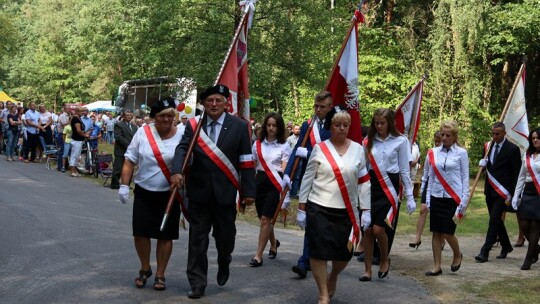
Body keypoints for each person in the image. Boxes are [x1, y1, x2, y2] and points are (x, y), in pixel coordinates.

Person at [170, 84, 256, 299]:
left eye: (218, 100)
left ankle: (224, 261)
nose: (214, 104)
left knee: (225, 238)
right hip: (199, 192)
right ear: (204, 104)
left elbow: (246, 160)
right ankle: (197, 282)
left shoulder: (239, 126)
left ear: (226, 103)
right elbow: (182, 148)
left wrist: (249, 191)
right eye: (210, 101)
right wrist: (177, 171)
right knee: (197, 239)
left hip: (226, 194)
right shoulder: (194, 125)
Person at [298, 105, 370, 303]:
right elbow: (307, 178)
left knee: (343, 255)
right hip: (319, 207)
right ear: (330, 126)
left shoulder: (357, 149)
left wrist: (366, 210)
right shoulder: (321, 149)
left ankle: (333, 276)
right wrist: (301, 207)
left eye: (345, 125)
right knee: (318, 252)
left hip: (346, 211)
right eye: (337, 124)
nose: (341, 128)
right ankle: (323, 293)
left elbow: (364, 182)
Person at [118, 98, 182, 290]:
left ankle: (161, 274)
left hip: (169, 194)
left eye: (170, 115)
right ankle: (145, 268)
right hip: (145, 191)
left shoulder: (182, 134)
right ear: (154, 117)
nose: (166, 119)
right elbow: (129, 160)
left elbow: (189, 160)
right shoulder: (143, 133)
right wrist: (123, 185)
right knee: (141, 233)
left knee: (165, 235)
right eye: (162, 115)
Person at [360, 108, 415, 282]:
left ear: (390, 123)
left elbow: (405, 170)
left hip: (389, 187)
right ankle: (367, 270)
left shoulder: (401, 141)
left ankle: (384, 258)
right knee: (367, 230)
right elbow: (363, 167)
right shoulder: (368, 142)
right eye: (376, 123)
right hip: (371, 186)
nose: (379, 126)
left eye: (382, 123)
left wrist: (410, 196)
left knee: (378, 229)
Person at [287, 91, 332, 278]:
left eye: (322, 107)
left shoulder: (336, 125)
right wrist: (287, 174)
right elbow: (298, 149)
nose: (318, 110)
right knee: (311, 221)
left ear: (330, 107)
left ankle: (320, 257)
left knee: (326, 225)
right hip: (311, 178)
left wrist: (311, 152)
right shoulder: (308, 125)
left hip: (330, 180)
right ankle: (304, 262)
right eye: (316, 106)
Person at [424, 121, 468, 276]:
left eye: (447, 135)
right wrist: (427, 198)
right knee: (436, 232)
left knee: (448, 232)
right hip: (436, 195)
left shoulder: (461, 153)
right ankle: (437, 266)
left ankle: (457, 254)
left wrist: (464, 200)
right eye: (442, 134)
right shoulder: (433, 152)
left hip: (452, 197)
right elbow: (430, 177)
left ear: (454, 137)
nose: (444, 138)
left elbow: (464, 177)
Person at [475, 122, 522, 263]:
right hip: (490, 190)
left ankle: (485, 251)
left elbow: (516, 174)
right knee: (497, 221)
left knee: (494, 219)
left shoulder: (513, 149)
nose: (494, 136)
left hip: (503, 192)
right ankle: (506, 246)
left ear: (504, 133)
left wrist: (514, 194)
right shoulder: (488, 147)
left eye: (497, 134)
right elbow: (486, 168)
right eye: (493, 133)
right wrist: (482, 166)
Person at [249, 112, 291, 267]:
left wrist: (284, 188)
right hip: (259, 182)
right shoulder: (257, 144)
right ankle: (273, 244)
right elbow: (253, 166)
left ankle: (258, 255)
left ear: (279, 127)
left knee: (266, 219)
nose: (271, 128)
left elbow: (285, 169)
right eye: (269, 125)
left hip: (275, 184)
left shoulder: (284, 145)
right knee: (264, 219)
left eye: (274, 125)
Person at [511, 128, 540, 270]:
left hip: (539, 194)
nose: (535, 140)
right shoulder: (527, 155)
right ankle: (536, 248)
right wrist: (516, 196)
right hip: (527, 192)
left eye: (538, 138)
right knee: (524, 225)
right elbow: (521, 177)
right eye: (533, 138)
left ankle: (528, 259)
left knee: (535, 226)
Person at [409, 131, 442, 248]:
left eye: (440, 141)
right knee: (423, 209)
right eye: (436, 141)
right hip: (429, 183)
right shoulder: (431, 153)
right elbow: (426, 171)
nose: (437, 143)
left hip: (442, 184)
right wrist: (423, 186)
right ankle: (417, 237)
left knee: (438, 213)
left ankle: (441, 237)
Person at [111, 110, 138, 189]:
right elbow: (118, 137)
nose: (129, 116)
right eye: (127, 115)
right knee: (118, 168)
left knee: (129, 168)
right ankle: (115, 184)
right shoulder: (119, 125)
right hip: (121, 150)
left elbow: (136, 137)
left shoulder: (134, 126)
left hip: (131, 151)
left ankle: (126, 184)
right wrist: (129, 145)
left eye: (130, 115)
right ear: (123, 116)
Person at [69, 107, 90, 177]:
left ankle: (74, 170)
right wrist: (85, 135)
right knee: (74, 155)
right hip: (76, 140)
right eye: (81, 112)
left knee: (77, 155)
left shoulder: (78, 118)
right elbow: (78, 130)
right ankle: (72, 171)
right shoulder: (75, 119)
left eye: (83, 111)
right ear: (77, 112)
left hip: (79, 140)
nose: (83, 113)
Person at [55, 105, 70, 171]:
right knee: (62, 150)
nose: (70, 109)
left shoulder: (68, 116)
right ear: (65, 109)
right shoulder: (62, 116)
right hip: (62, 134)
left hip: (67, 134)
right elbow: (64, 126)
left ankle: (66, 165)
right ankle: (60, 165)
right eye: (68, 108)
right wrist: (69, 123)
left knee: (66, 150)